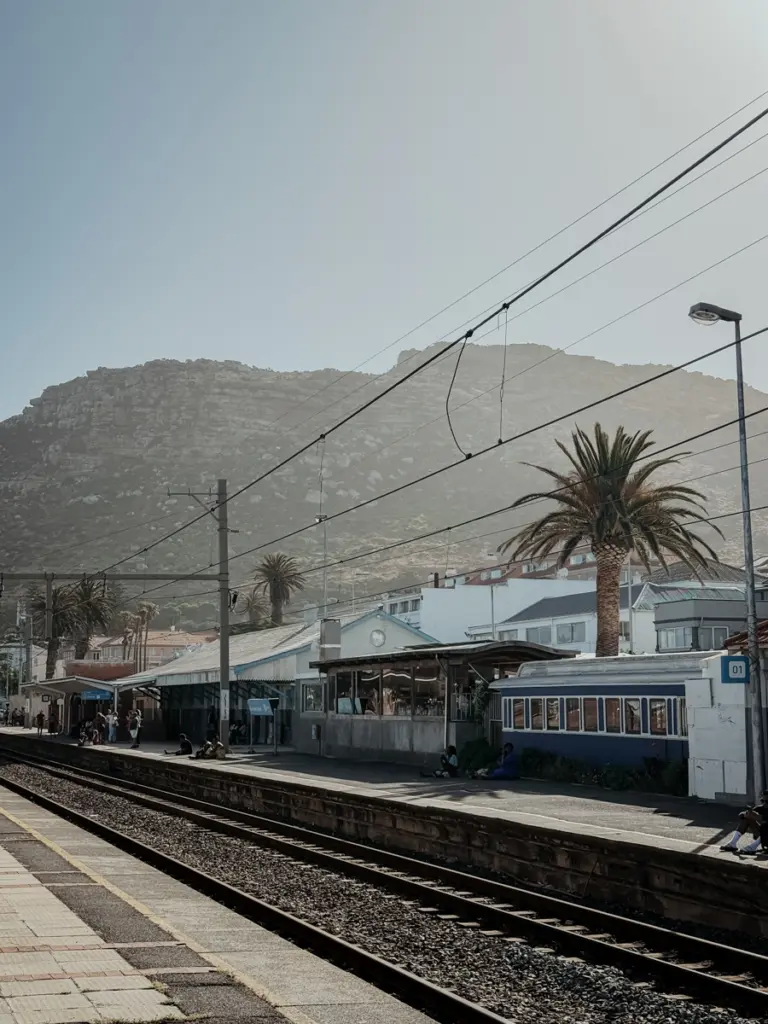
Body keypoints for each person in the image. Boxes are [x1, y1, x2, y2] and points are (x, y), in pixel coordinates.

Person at [720, 790, 768, 855]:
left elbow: (762, 818)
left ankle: (753, 847)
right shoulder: (760, 808)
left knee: (765, 825)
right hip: (761, 834)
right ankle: (732, 843)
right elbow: (741, 815)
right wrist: (746, 813)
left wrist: (756, 815)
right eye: (763, 801)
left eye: (767, 801)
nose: (764, 803)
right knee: (746, 818)